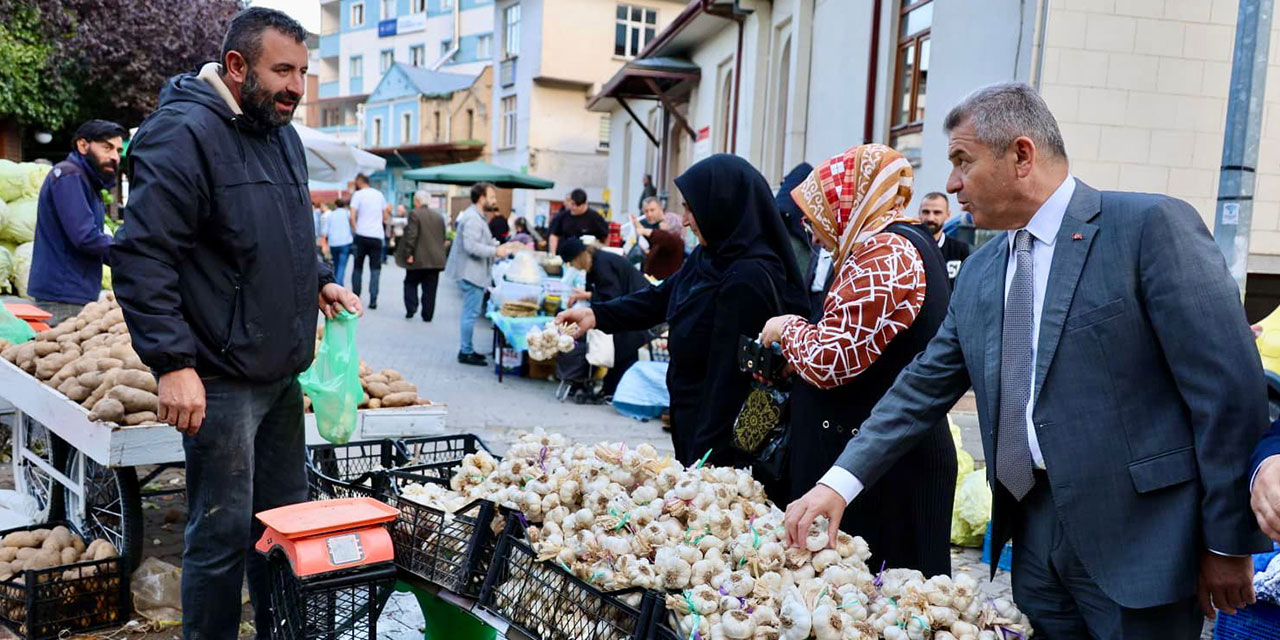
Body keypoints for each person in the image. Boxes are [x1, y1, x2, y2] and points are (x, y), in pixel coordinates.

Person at [781, 83, 1267, 638]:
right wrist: (838, 484)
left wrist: (1227, 541)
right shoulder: (985, 273)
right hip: (1034, 543)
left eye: (963, 160)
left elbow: (1227, 392)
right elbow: (920, 390)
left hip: (1142, 545)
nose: (950, 184)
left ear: (1021, 155)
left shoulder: (1148, 229)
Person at [110, 8, 362, 639]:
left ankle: (280, 632)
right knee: (220, 536)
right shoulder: (182, 133)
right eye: (283, 70)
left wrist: (321, 279)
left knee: (282, 526)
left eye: (303, 72)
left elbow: (289, 232)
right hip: (219, 378)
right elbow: (143, 257)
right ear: (237, 67)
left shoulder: (280, 133)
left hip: (280, 373)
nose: (296, 88)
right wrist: (172, 363)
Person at [756, 145, 955, 576]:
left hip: (887, 470)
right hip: (886, 458)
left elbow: (831, 362)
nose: (809, 224)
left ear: (848, 203)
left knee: (884, 600)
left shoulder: (886, 253)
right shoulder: (895, 244)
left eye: (819, 209)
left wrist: (787, 329)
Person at [557, 154, 808, 475]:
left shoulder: (749, 276)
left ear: (722, 206)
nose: (686, 220)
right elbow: (661, 298)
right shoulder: (709, 256)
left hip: (717, 440)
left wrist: (704, 464)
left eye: (692, 209)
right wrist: (596, 316)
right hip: (689, 412)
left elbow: (727, 383)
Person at [29, 119, 125, 326]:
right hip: (62, 296)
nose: (114, 157)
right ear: (83, 145)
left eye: (117, 150)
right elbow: (85, 237)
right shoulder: (69, 176)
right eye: (106, 148)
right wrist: (131, 254)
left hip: (74, 291)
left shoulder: (86, 180)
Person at [558, 237, 650, 400]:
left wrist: (588, 297)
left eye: (572, 263)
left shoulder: (601, 264)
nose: (573, 267)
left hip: (639, 305)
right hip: (632, 304)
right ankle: (612, 390)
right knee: (624, 347)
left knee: (624, 347)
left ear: (578, 257)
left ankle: (614, 391)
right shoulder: (595, 263)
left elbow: (611, 295)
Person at [443, 182, 524, 365]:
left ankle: (467, 349)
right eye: (492, 197)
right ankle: (466, 351)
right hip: (471, 274)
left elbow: (479, 243)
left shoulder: (477, 216)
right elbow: (471, 247)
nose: (494, 201)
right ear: (481, 198)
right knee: (470, 314)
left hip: (474, 273)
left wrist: (498, 247)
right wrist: (496, 251)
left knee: (469, 313)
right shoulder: (472, 218)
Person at [396, 190, 447, 321]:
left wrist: (409, 253)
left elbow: (411, 235)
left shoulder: (414, 214)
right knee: (431, 288)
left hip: (418, 258)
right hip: (435, 259)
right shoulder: (439, 216)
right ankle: (428, 315)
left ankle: (411, 308)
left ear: (417, 202)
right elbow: (443, 237)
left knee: (410, 283)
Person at [349, 173, 389, 308]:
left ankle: (355, 298)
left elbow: (352, 215)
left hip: (361, 235)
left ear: (360, 181)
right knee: (375, 269)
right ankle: (373, 300)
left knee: (357, 268)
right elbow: (385, 217)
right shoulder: (379, 195)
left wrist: (355, 229)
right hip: (377, 236)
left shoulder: (358, 195)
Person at [917, 191, 971, 289]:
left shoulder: (960, 250)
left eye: (937, 212)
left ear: (948, 215)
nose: (930, 218)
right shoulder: (910, 247)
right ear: (919, 213)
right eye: (926, 212)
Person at [628, 196, 684, 280]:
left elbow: (663, 237)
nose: (661, 224)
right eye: (646, 211)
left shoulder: (675, 240)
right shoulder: (662, 239)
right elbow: (653, 238)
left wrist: (644, 231)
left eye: (652, 210)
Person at [548, 188, 609, 254]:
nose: (574, 207)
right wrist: (553, 254)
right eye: (572, 204)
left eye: (578, 205)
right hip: (565, 254)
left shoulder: (595, 217)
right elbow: (554, 235)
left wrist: (604, 253)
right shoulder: (562, 216)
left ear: (585, 204)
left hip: (586, 256)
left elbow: (606, 236)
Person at [321, 198, 354, 286]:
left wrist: (324, 244)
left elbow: (325, 231)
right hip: (345, 242)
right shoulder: (348, 214)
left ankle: (335, 284)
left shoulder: (331, 215)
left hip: (333, 243)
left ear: (335, 205)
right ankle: (339, 285)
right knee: (342, 266)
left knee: (335, 264)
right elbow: (352, 227)